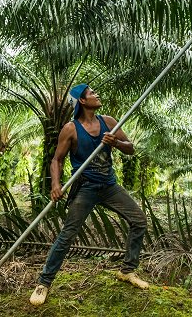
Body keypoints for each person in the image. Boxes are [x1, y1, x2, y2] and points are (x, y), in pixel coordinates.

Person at [29, 83, 149, 306]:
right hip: (85, 188)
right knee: (68, 235)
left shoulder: (109, 122)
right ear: (82, 101)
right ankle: (44, 282)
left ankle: (128, 270)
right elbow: (57, 160)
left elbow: (131, 147)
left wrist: (116, 142)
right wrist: (56, 184)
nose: (97, 94)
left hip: (109, 186)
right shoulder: (71, 129)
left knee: (139, 221)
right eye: (92, 93)